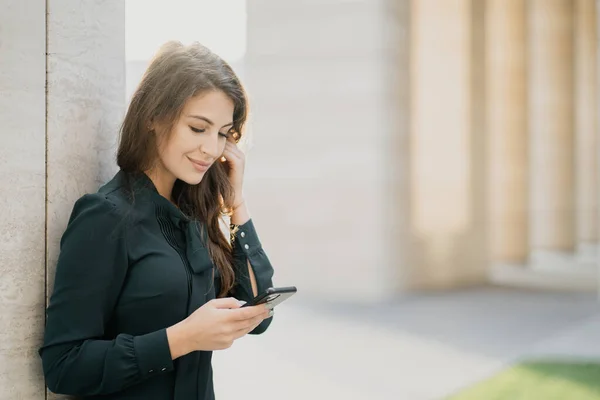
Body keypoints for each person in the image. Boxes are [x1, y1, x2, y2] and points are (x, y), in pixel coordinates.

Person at [39, 41, 275, 400]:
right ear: (153, 116)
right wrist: (182, 339)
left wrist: (236, 202)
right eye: (198, 128)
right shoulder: (105, 216)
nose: (212, 149)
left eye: (223, 134)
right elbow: (64, 366)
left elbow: (260, 313)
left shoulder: (195, 215)